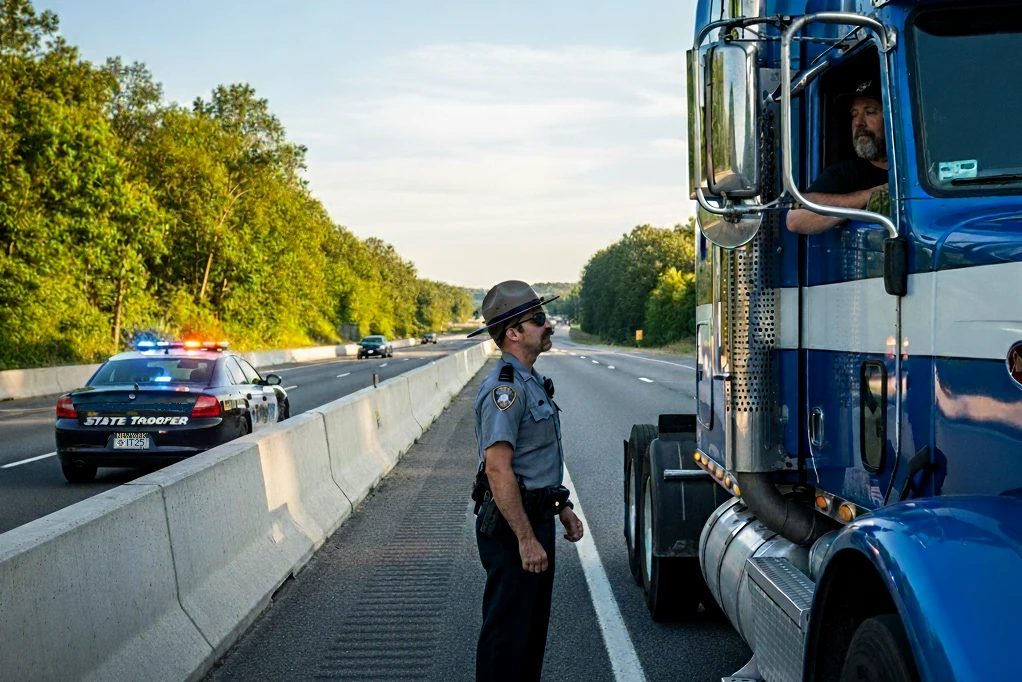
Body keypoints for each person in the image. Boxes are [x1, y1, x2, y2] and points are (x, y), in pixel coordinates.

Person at [466, 280, 585, 682]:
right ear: (513, 333)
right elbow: (498, 470)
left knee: (529, 636)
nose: (547, 324)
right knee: (507, 639)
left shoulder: (530, 380)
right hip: (511, 528)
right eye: (538, 319)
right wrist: (525, 538)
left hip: (534, 518)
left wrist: (562, 508)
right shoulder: (505, 390)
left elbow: (533, 464)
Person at [786, 79, 891, 234]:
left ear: (891, 119)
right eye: (854, 114)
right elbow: (795, 219)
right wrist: (871, 196)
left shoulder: (919, 174)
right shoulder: (845, 174)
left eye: (869, 112)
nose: (858, 123)